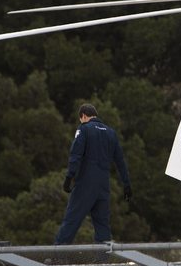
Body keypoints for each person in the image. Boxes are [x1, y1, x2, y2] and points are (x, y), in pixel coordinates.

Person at [54, 103, 132, 245]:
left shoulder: (84, 129)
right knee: (102, 226)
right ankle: (102, 261)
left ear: (83, 116)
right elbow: (120, 161)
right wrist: (127, 185)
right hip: (103, 186)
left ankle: (56, 258)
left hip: (85, 184)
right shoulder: (111, 133)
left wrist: (68, 178)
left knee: (71, 220)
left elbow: (75, 155)